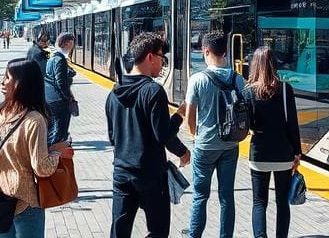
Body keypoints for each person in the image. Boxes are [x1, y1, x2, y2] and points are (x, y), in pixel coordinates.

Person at [106, 32, 190, 238]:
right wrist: (179, 119)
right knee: (158, 230)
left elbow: (112, 137)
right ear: (150, 57)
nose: (163, 64)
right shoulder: (153, 91)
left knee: (119, 229)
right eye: (162, 57)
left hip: (121, 172)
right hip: (150, 174)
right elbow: (163, 134)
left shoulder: (113, 93)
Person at [0, 58, 70, 238]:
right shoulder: (35, 120)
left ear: (21, 83)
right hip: (26, 202)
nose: (2, 81)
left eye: (7, 77)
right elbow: (42, 168)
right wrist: (57, 152)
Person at [185, 32, 244, 238]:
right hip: (230, 145)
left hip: (205, 146)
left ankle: (194, 236)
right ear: (225, 52)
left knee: (200, 196)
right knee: (227, 197)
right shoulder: (238, 79)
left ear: (206, 51)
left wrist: (195, 135)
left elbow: (190, 118)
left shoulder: (197, 79)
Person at [245, 47, 301, 238]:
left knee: (259, 202)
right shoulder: (286, 90)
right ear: (274, 64)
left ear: (255, 65)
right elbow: (292, 124)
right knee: (281, 202)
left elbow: (248, 125)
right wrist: (297, 153)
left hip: (259, 153)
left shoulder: (249, 92)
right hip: (283, 153)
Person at [45, 32, 77, 144]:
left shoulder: (52, 58)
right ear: (67, 43)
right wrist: (68, 97)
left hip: (50, 98)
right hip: (58, 100)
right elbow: (60, 82)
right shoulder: (60, 60)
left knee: (54, 127)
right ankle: (54, 154)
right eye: (72, 43)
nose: (72, 46)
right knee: (59, 130)